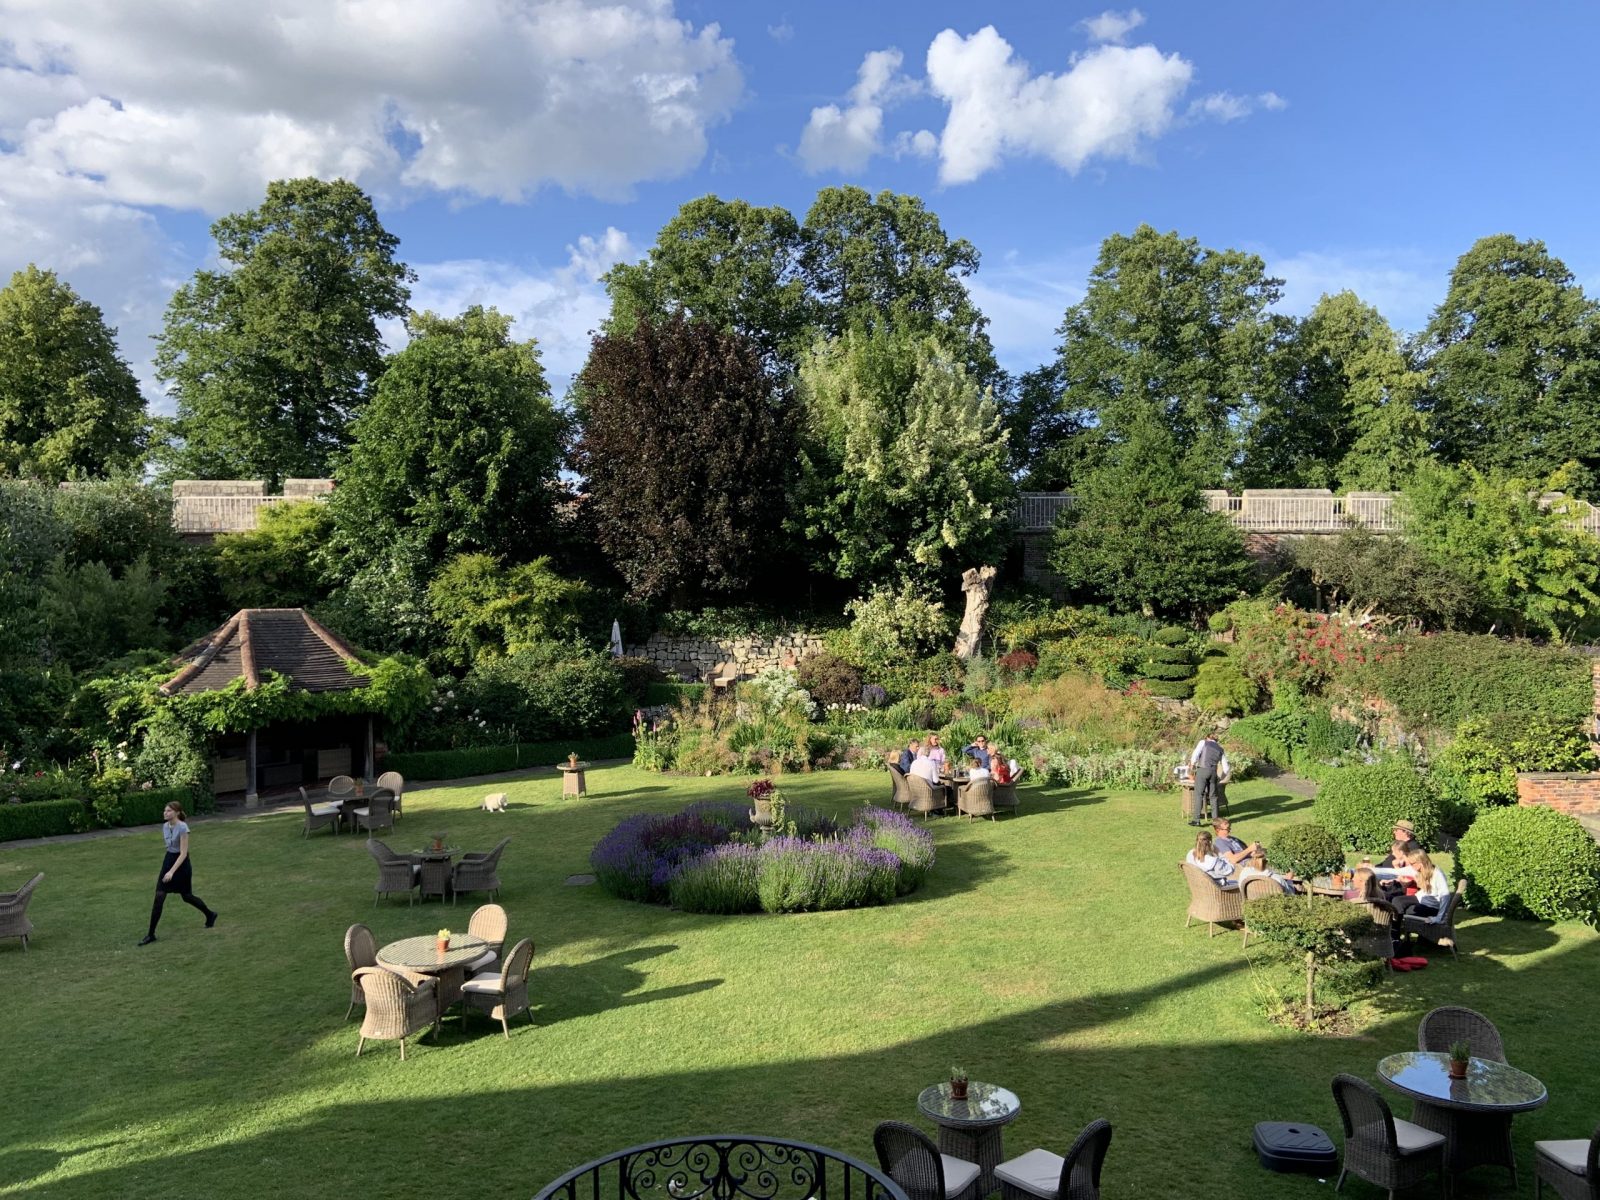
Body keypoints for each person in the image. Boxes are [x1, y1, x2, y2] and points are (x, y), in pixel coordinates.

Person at [139, 801, 217, 945]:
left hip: (182, 864)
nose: (165, 813)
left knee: (186, 896)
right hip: (169, 859)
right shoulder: (164, 826)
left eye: (168, 811)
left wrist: (171, 872)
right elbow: (169, 847)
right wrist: (167, 868)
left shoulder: (183, 827)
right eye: (165, 810)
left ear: (177, 812)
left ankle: (210, 914)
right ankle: (151, 934)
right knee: (159, 896)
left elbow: (183, 853)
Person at [1188, 732, 1226, 824]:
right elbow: (1226, 767)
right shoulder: (1220, 749)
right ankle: (1216, 821)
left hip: (1203, 770)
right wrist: (1221, 778)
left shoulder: (1203, 742)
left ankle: (1196, 820)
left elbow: (1195, 754)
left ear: (1208, 738)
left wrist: (1192, 766)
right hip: (1213, 772)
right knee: (1213, 797)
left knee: (1199, 794)